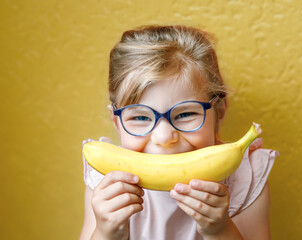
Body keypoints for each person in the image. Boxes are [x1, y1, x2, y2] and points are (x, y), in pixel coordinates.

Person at [79, 25, 279, 240]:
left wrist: (220, 230)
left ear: (219, 112)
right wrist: (106, 232)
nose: (164, 137)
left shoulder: (244, 178)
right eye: (140, 118)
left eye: (185, 115)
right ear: (117, 122)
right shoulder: (105, 181)